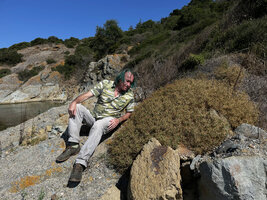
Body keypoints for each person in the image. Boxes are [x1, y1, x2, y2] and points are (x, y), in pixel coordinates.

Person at [56, 69, 135, 182]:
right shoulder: (106, 84)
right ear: (121, 78)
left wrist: (119, 120)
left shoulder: (130, 95)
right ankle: (73, 145)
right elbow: (88, 95)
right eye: (127, 81)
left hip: (108, 121)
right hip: (94, 118)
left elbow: (129, 112)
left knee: (98, 125)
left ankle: (80, 163)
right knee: (78, 107)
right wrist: (73, 102)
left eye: (131, 82)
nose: (128, 85)